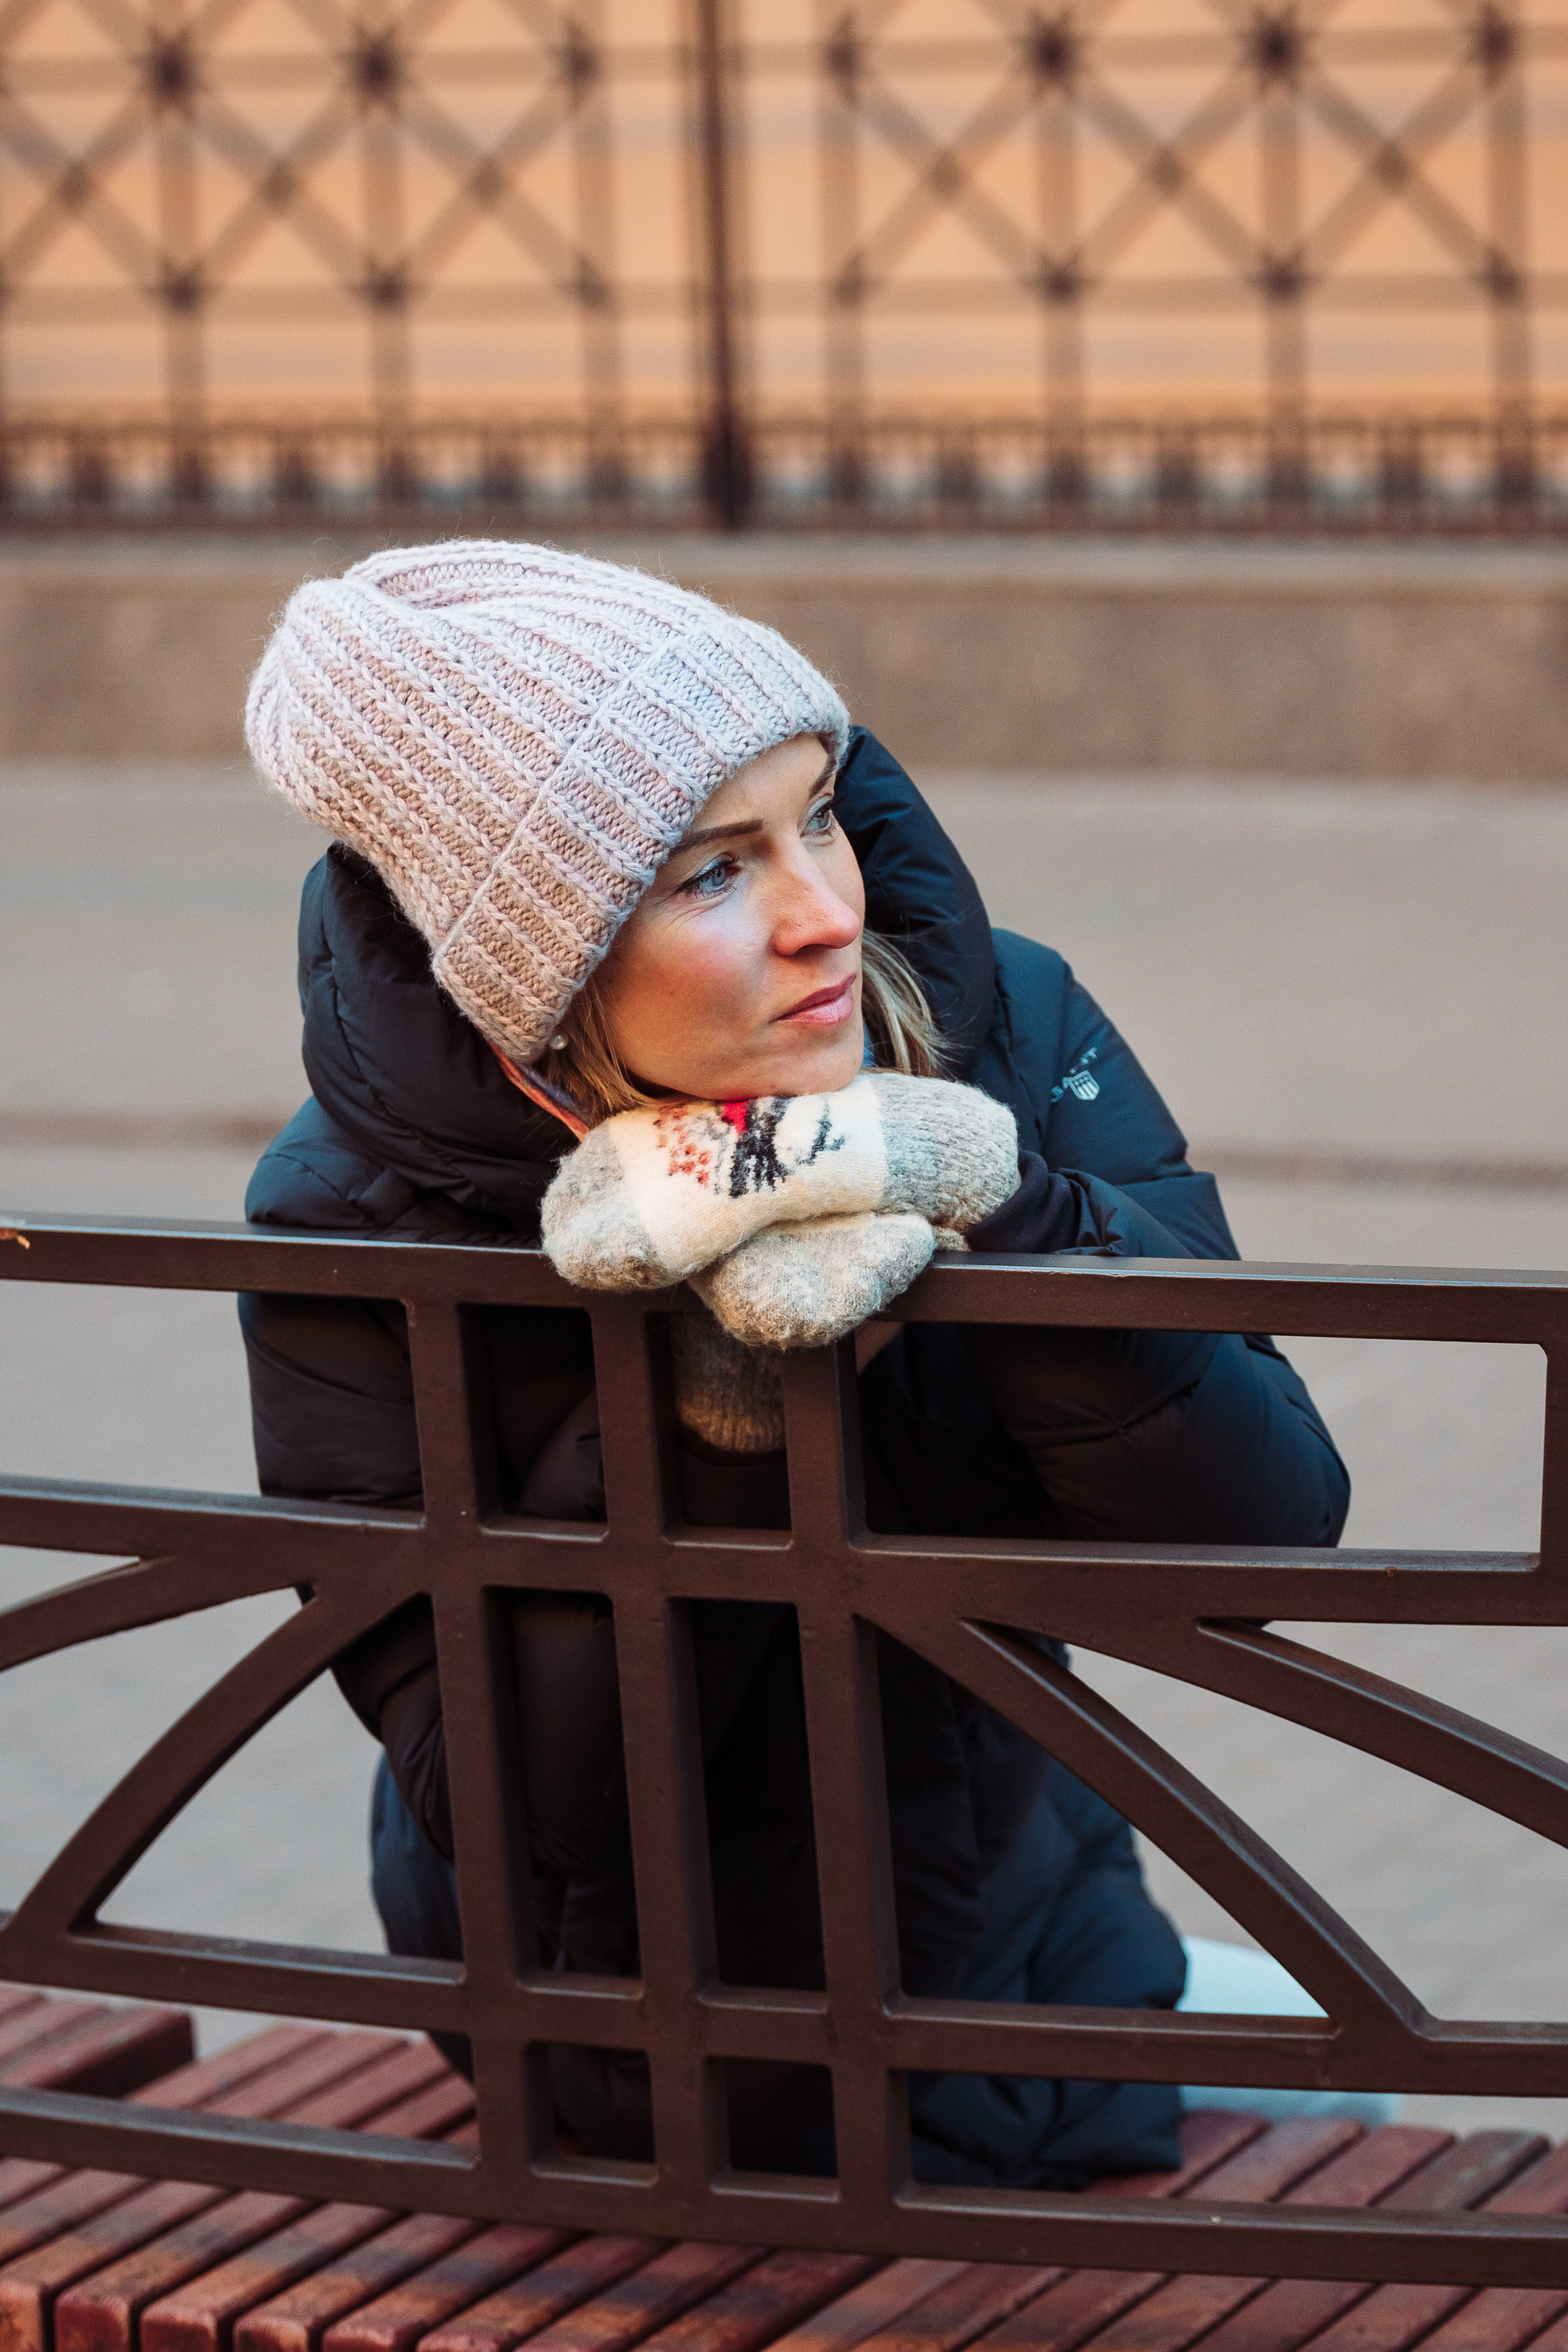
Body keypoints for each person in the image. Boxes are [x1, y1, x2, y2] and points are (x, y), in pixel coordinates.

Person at [239, 539, 1365, 2192]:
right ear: (528, 967)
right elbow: (513, 1805)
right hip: (614, 2074)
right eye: (711, 873)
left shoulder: (991, 1027)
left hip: (1028, 1976)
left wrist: (1011, 1203)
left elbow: (1265, 1542)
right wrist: (710, 1405)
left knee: (1367, 2093)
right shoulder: (353, 1214)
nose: (826, 913)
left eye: (820, 814)